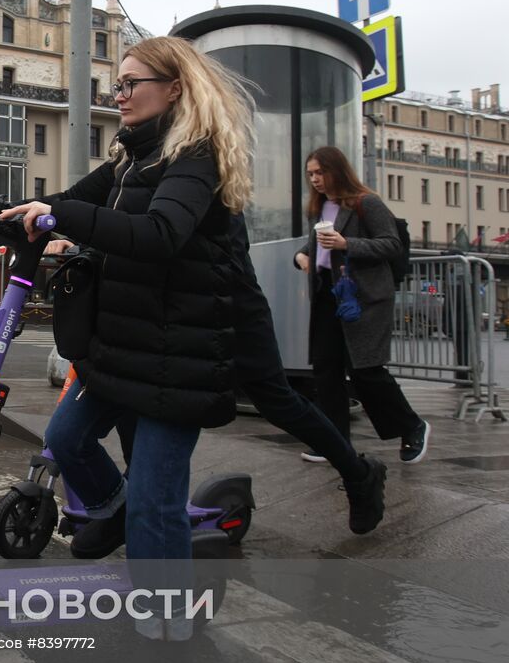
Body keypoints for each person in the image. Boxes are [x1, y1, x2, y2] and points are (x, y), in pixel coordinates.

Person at [0, 36, 253, 663]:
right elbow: (69, 198)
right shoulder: (130, 155)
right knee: (65, 438)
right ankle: (123, 516)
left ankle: (166, 649)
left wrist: (61, 214)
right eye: (115, 84)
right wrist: (7, 217)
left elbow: (157, 235)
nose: (117, 95)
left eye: (130, 83)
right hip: (124, 347)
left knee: (157, 499)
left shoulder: (194, 158)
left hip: (179, 357)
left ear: (174, 86)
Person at [52, 209, 388, 539]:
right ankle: (130, 500)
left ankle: (358, 475)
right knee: (135, 388)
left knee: (279, 403)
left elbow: (158, 231)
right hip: (172, 315)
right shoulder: (141, 165)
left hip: (232, 311)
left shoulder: (199, 167)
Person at [295, 146, 430, 464]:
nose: (314, 179)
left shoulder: (366, 202)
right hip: (329, 297)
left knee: (366, 371)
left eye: (320, 172)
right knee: (326, 372)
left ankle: (412, 426)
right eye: (310, 173)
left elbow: (391, 244)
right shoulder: (321, 207)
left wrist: (347, 244)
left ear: (336, 170)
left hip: (364, 299)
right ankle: (334, 444)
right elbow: (315, 244)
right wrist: (301, 255)